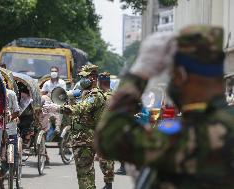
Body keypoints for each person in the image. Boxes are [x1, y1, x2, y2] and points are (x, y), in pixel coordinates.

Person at [95, 25, 234, 188]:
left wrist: (139, 74)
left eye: (171, 74)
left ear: (181, 76)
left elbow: (109, 138)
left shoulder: (191, 133)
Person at [44, 63, 105, 189]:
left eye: (84, 77)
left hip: (86, 140)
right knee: (84, 174)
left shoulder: (95, 96)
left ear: (93, 78)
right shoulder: (85, 93)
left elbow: (80, 109)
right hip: (81, 139)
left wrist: (58, 108)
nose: (82, 80)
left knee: (85, 174)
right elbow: (69, 98)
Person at [97, 72, 115, 189]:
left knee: (105, 160)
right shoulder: (113, 95)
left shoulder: (106, 96)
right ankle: (108, 184)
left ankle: (108, 185)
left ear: (100, 82)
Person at [41, 66, 66, 133]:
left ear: (58, 73)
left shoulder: (62, 82)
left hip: (58, 100)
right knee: (44, 107)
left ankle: (57, 126)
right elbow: (42, 93)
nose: (53, 73)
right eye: (52, 71)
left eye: (55, 71)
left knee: (59, 109)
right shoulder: (47, 83)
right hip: (48, 100)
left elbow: (63, 93)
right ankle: (44, 127)